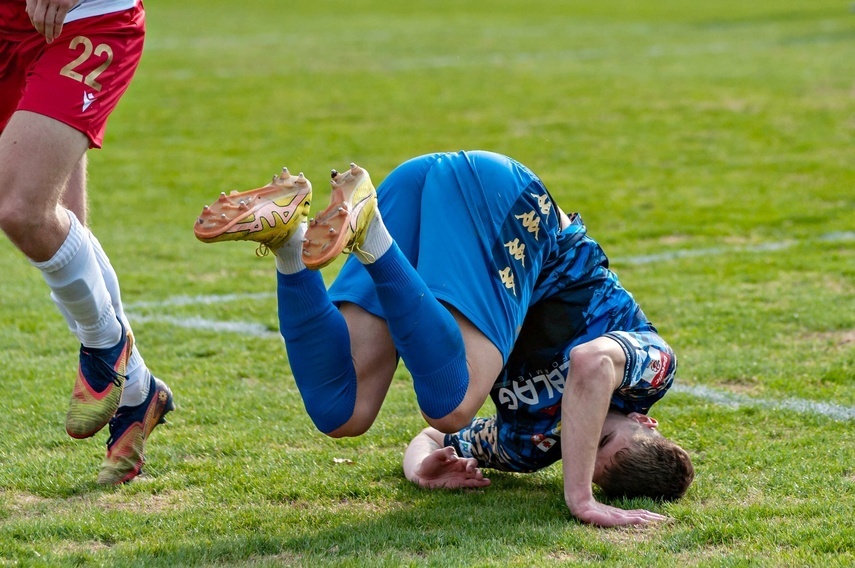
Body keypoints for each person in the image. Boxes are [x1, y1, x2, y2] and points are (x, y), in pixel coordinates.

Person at [194, 150, 693, 526]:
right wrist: (579, 498)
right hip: (502, 200)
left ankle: (287, 241)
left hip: (414, 196)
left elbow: (433, 437)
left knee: (342, 410)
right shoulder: (651, 369)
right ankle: (369, 238)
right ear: (644, 420)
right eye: (603, 438)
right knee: (453, 402)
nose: (576, 443)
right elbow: (591, 364)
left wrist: (420, 468)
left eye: (586, 458)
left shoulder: (532, 444)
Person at [0, 0, 173, 484]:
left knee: (23, 207)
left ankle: (105, 344)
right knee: (62, 220)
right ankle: (138, 389)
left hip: (87, 14)